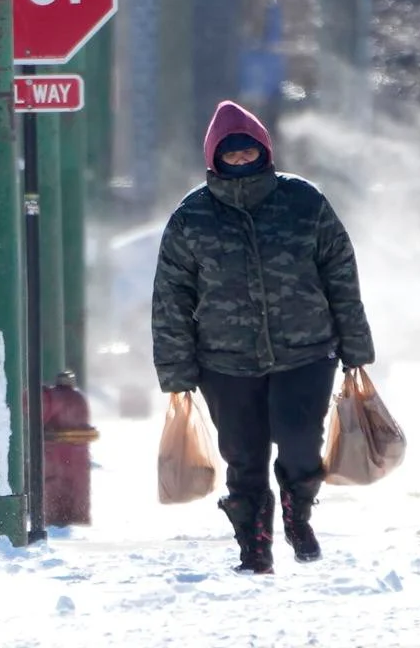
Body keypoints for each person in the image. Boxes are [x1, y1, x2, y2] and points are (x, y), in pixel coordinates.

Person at [151, 100, 375, 575]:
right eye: (229, 154)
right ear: (214, 156)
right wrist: (175, 369)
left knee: (299, 441)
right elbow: (171, 296)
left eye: (246, 150)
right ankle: (253, 546)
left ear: (264, 150)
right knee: (243, 456)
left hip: (306, 352)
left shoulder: (304, 203)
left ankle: (299, 513)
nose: (239, 160)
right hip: (225, 362)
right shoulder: (191, 217)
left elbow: (340, 274)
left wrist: (355, 346)